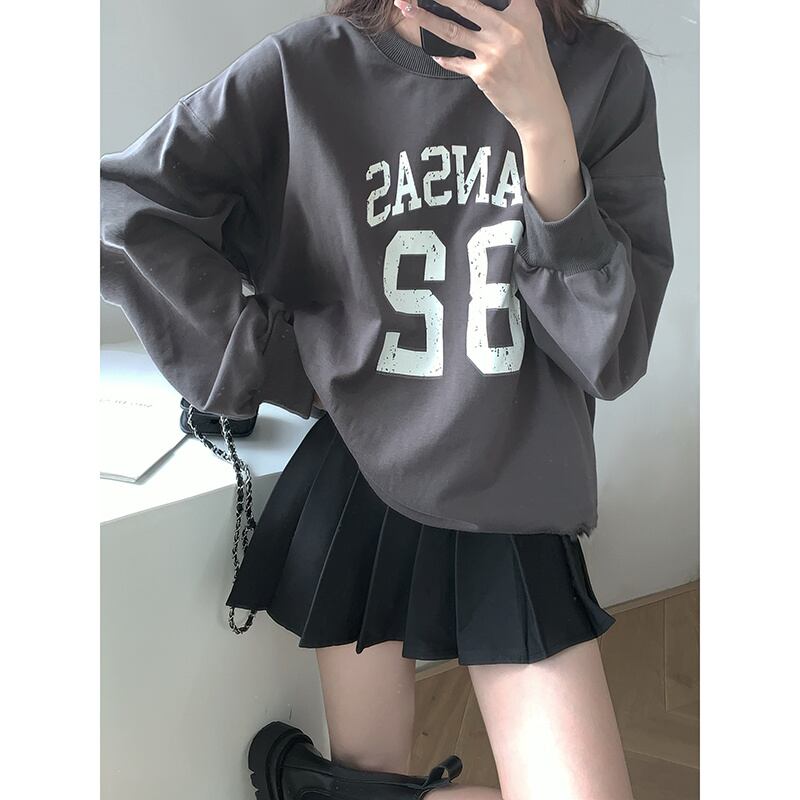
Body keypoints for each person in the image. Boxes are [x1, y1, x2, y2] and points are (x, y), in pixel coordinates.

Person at [100, 1, 674, 798]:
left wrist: (544, 128)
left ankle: (314, 789)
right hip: (363, 478)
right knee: (372, 767)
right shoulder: (308, 67)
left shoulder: (599, 71)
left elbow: (611, 353)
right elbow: (120, 205)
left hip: (517, 485)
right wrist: (276, 361)